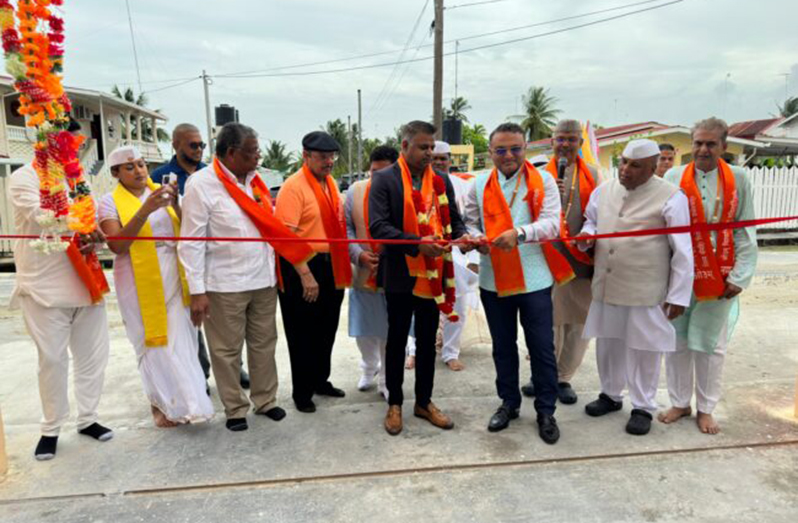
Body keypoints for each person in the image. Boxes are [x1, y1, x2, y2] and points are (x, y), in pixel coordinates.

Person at [179, 122, 314, 432]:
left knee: (264, 343)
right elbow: (191, 243)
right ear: (231, 152)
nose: (258, 156)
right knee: (226, 350)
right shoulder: (201, 184)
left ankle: (265, 400)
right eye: (252, 151)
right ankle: (235, 407)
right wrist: (197, 291)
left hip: (263, 281)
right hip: (225, 284)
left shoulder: (257, 182)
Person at [8, 119, 113, 460]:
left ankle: (88, 419)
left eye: (74, 142)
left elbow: (89, 220)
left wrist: (95, 234)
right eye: (65, 141)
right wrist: (84, 225)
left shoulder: (78, 178)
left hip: (85, 279)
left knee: (92, 357)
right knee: (52, 360)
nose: (73, 148)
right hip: (44, 287)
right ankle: (51, 428)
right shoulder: (24, 177)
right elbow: (42, 217)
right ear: (45, 142)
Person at [577, 139, 694, 436]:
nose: (626, 169)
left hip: (646, 287)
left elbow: (683, 250)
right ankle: (610, 395)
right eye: (624, 162)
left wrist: (679, 295)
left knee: (645, 347)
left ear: (653, 168)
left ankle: (642, 406)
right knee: (608, 341)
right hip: (608, 283)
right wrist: (587, 235)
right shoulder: (604, 190)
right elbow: (592, 221)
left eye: (635, 165)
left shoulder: (671, 197)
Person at [369, 120, 475, 435]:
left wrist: (464, 236)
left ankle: (424, 402)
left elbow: (454, 221)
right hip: (401, 274)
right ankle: (395, 404)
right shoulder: (385, 179)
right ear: (405, 146)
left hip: (435, 274)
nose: (429, 153)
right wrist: (418, 244)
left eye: (432, 147)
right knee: (398, 339)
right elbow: (378, 227)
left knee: (428, 341)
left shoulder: (442, 180)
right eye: (423, 147)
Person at [99, 145, 214, 427]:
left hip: (174, 274)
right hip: (137, 279)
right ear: (116, 173)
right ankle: (162, 407)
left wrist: (174, 204)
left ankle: (190, 404)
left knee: (180, 341)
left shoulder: (165, 192)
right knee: (151, 344)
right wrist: (145, 209)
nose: (139, 171)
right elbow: (118, 245)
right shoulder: (108, 202)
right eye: (130, 167)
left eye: (141, 165)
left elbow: (189, 228)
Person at [464, 123, 563, 443]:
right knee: (502, 347)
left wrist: (520, 234)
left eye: (515, 148)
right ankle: (509, 402)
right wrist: (476, 239)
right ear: (490, 152)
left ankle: (546, 409)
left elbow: (551, 225)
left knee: (541, 348)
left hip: (534, 278)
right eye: (501, 150)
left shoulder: (543, 180)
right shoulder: (478, 184)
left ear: (525, 149)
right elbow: (470, 222)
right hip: (494, 279)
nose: (509, 155)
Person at [659, 118, 758, 435]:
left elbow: (745, 228)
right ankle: (679, 402)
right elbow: (664, 230)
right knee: (676, 340)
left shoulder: (738, 178)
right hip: (681, 274)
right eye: (698, 143)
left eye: (710, 143)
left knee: (711, 345)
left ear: (724, 146)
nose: (703, 149)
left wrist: (740, 276)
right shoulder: (674, 176)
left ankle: (706, 408)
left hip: (720, 272)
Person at [151, 124, 249, 390]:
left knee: (224, 324)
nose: (198, 150)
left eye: (201, 145)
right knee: (191, 322)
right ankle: (199, 375)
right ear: (176, 145)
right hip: (179, 256)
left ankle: (235, 369)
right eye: (192, 145)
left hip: (216, 258)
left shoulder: (211, 174)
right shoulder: (159, 176)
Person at [520, 120, 599, 405]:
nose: (565, 145)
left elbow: (598, 215)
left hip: (580, 261)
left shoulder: (593, 175)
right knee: (545, 324)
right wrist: (548, 190)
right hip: (545, 261)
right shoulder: (537, 175)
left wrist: (589, 237)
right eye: (560, 139)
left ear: (580, 143)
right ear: (551, 142)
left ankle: (564, 378)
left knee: (577, 325)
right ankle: (542, 374)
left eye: (571, 140)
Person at [275, 131, 351, 413]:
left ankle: (321, 380)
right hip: (303, 264)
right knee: (302, 332)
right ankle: (302, 391)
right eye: (322, 157)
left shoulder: (330, 183)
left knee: (326, 328)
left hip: (331, 263)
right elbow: (286, 238)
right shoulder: (293, 187)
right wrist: (306, 275)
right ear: (306, 156)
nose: (329, 162)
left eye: (332, 156)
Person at [405, 140, 478, 372]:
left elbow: (460, 219)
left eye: (442, 158)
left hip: (453, 253)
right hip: (420, 252)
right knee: (418, 306)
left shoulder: (460, 183)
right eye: (433, 157)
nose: (437, 162)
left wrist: (465, 238)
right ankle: (413, 351)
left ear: (449, 160)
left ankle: (450, 352)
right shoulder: (412, 180)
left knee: (457, 302)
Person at [345, 145, 399, 398]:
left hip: (394, 272)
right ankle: (368, 367)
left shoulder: (401, 192)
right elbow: (346, 230)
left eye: (385, 172)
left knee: (390, 329)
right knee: (364, 327)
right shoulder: (355, 192)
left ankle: (388, 380)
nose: (378, 179)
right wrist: (359, 255)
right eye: (374, 172)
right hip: (363, 270)